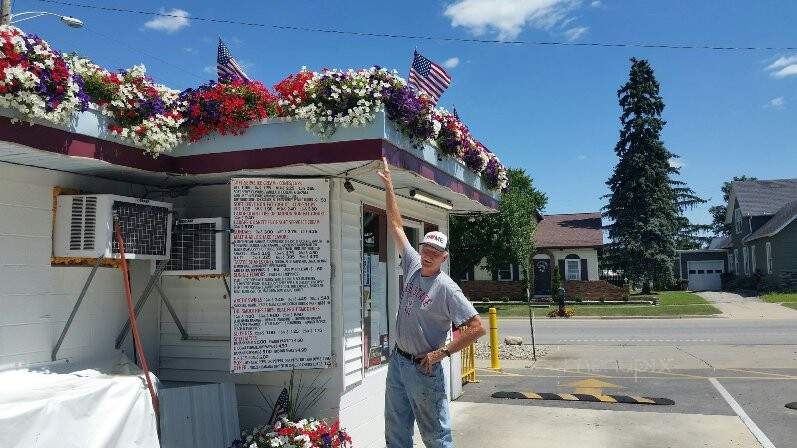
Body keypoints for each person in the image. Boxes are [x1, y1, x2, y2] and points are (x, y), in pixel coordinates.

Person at [377, 156, 486, 448]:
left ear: (443, 257)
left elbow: (477, 327)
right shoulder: (412, 263)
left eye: (435, 252)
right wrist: (388, 186)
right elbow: (397, 226)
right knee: (396, 431)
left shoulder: (448, 289)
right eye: (426, 248)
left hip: (424, 369)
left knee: (436, 436)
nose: (427, 255)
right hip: (399, 362)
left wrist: (443, 353)